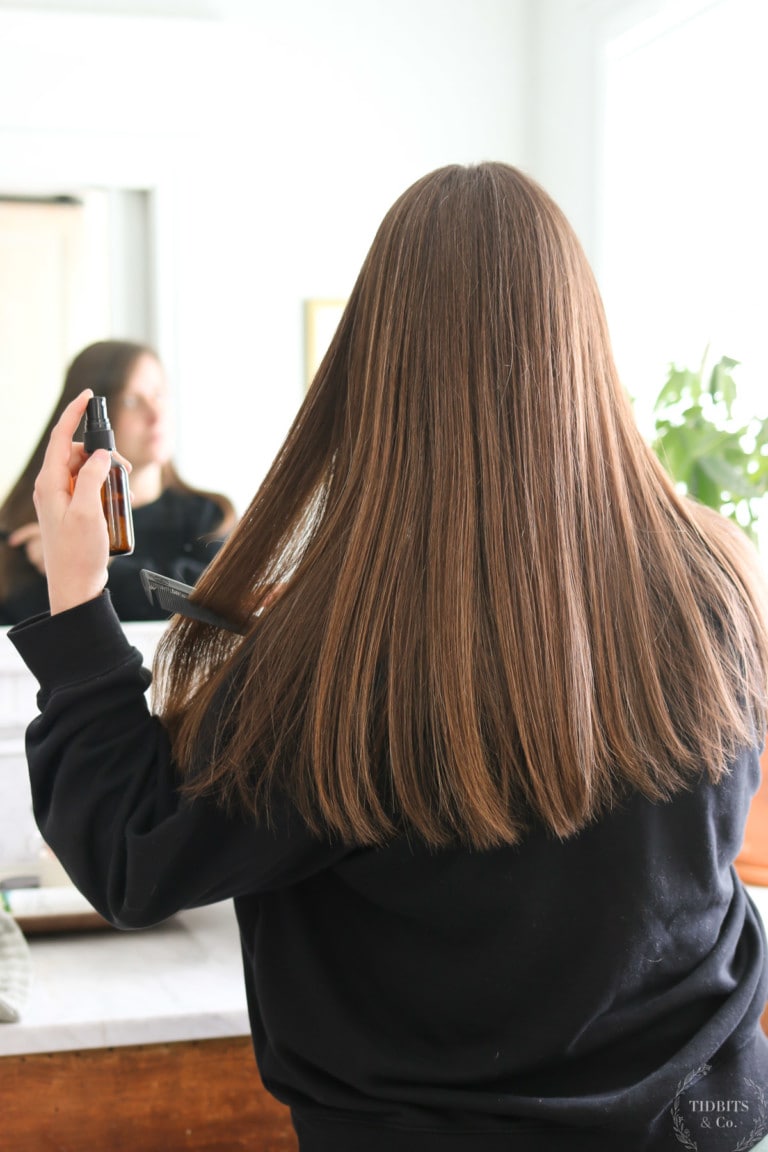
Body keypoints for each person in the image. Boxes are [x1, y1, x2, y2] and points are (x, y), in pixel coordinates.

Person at [7, 163, 768, 1151]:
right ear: (582, 341)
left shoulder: (339, 658)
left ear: (375, 365)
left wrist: (75, 600)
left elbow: (130, 855)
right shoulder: (720, 574)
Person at [0, 339, 236, 623]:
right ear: (92, 419)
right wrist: (56, 562)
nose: (155, 415)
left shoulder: (211, 517)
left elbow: (216, 604)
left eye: (159, 395)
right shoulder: (28, 530)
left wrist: (97, 564)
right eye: (132, 400)